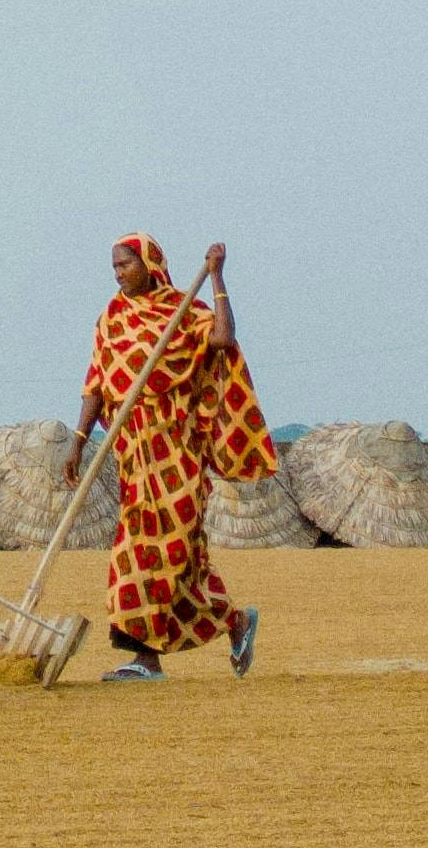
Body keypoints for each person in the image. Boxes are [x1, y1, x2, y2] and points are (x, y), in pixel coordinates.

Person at [66, 233, 277, 680]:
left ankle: (159, 654)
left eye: (126, 264)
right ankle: (204, 634)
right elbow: (96, 383)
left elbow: (222, 337)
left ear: (149, 264)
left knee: (170, 554)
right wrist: (79, 441)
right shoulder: (112, 318)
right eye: (115, 266)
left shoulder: (183, 312)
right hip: (133, 453)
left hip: (175, 453)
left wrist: (217, 277)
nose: (119, 273)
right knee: (138, 555)